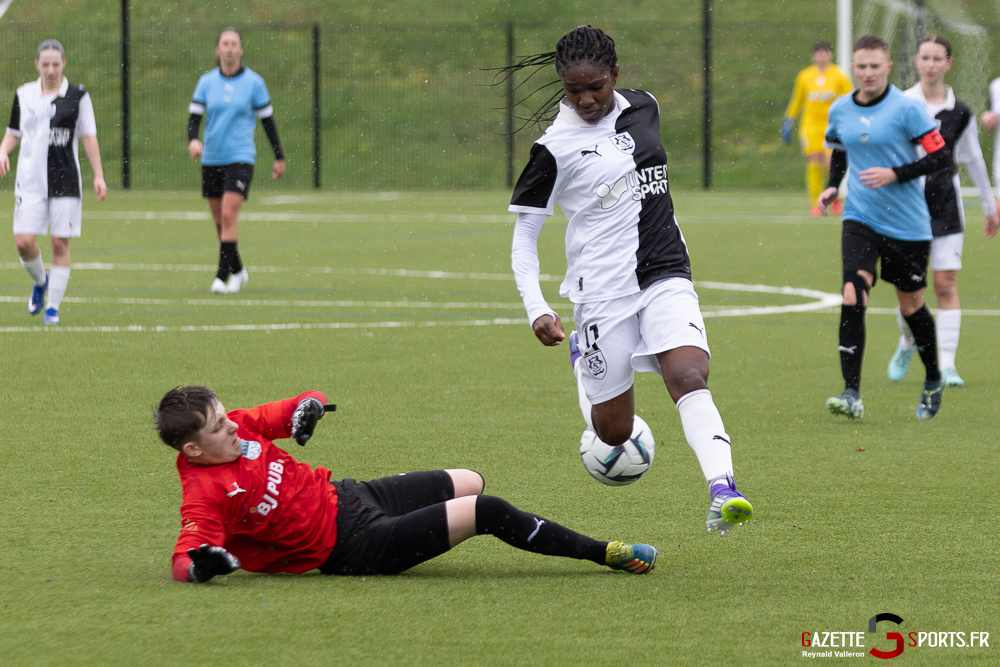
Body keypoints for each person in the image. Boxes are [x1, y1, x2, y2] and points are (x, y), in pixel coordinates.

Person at [502, 25, 753, 536]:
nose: (587, 99)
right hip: (602, 292)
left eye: (596, 85)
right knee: (613, 431)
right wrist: (536, 307)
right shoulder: (553, 149)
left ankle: (723, 490)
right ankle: (582, 356)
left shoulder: (645, 105)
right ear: (562, 85)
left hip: (665, 271)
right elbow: (523, 238)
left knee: (687, 374)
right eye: (574, 90)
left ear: (615, 74)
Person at [155, 386, 659, 582]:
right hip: (351, 546)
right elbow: (187, 554)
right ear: (192, 449)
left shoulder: (237, 427)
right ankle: (604, 553)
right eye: (218, 426)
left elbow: (286, 410)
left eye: (224, 416)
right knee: (486, 510)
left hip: (353, 496)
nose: (231, 426)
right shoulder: (205, 493)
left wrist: (306, 408)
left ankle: (411, 521)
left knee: (471, 479)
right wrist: (201, 566)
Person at [818, 35, 952, 420]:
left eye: (875, 66)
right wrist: (832, 185)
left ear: (888, 67)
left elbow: (940, 156)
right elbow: (840, 150)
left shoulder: (908, 109)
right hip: (860, 217)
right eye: (861, 66)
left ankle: (933, 378)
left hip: (908, 225)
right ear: (852, 68)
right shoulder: (840, 108)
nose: (868, 72)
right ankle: (851, 394)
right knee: (852, 294)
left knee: (910, 304)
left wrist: (897, 173)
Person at [887, 36, 1000, 388]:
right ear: (917, 62)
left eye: (938, 58)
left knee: (945, 283)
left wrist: (989, 204)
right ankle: (908, 341)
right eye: (925, 58)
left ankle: (948, 364)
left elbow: (973, 158)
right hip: (906, 207)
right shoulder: (899, 104)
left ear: (948, 63)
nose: (931, 64)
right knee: (910, 290)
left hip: (945, 206)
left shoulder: (960, 111)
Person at [0, 39, 106, 325]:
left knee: (60, 244)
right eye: (45, 64)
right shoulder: (24, 94)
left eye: (55, 64)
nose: (50, 70)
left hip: (65, 180)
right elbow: (13, 132)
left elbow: (89, 136)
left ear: (64, 64)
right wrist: (1, 150)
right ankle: (40, 281)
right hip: (30, 182)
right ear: (36, 65)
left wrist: (98, 175)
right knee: (23, 242)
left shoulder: (78, 96)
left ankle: (53, 309)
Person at [188, 27, 285, 295]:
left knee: (229, 215)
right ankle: (239, 270)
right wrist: (193, 141)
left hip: (241, 157)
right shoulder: (207, 82)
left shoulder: (254, 83)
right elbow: (194, 119)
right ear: (218, 49)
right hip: (212, 158)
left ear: (241, 49)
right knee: (220, 221)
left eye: (234, 44)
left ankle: (221, 277)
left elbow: (268, 122)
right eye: (225, 43)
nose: (229, 48)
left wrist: (279, 156)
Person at [782, 41, 854, 216]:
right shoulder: (805, 76)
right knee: (814, 161)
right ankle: (817, 204)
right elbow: (797, 100)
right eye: (819, 52)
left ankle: (834, 199)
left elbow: (851, 96)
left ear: (830, 55)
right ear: (813, 56)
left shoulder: (838, 75)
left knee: (830, 163)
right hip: (810, 126)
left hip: (831, 126)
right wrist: (788, 119)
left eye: (826, 52)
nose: (822, 56)